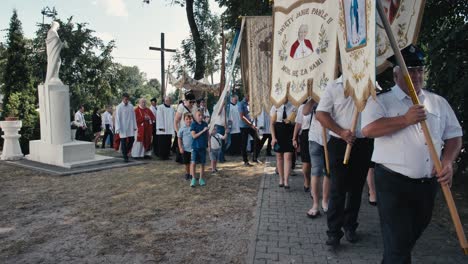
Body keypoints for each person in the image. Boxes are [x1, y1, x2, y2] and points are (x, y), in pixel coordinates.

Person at [361, 45, 462, 264]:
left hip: (427, 185)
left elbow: (454, 135)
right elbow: (368, 130)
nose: (415, 75)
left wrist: (447, 162)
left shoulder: (438, 102)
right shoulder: (380, 101)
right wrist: (404, 120)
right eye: (410, 70)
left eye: (419, 70)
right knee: (398, 244)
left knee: (406, 240)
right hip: (392, 183)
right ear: (396, 74)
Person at [316, 75, 373, 246]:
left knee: (356, 189)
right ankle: (334, 231)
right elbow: (321, 114)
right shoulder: (334, 86)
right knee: (337, 188)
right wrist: (341, 132)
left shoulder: (371, 84)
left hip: (363, 143)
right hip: (339, 143)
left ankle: (350, 226)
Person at [302, 98, 331, 218]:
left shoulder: (333, 93)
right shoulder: (314, 96)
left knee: (328, 171)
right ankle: (315, 204)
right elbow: (305, 111)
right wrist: (313, 99)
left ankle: (325, 201)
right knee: (316, 171)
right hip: (315, 138)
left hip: (331, 137)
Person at [270, 100, 297, 189]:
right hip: (278, 133)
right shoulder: (275, 107)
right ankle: (281, 179)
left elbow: (297, 123)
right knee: (279, 157)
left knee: (288, 157)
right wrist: (273, 138)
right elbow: (272, 124)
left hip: (289, 133)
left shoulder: (294, 106)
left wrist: (291, 122)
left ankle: (286, 180)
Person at [293, 100, 312, 193]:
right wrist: (294, 138)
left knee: (318, 164)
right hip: (306, 134)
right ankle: (307, 179)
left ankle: (315, 187)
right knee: (306, 163)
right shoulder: (303, 107)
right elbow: (298, 124)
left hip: (320, 134)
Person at [174, 91, 197, 162]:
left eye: (194, 102)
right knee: (183, 146)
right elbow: (176, 121)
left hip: (192, 130)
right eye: (191, 102)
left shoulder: (194, 107)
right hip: (183, 131)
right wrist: (178, 132)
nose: (192, 104)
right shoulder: (181, 107)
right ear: (186, 101)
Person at [115, 93, 137, 162]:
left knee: (132, 140)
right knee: (123, 142)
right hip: (122, 127)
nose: (126, 101)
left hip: (130, 126)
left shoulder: (131, 106)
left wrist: (134, 126)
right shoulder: (119, 107)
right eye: (125, 99)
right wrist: (118, 128)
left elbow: (134, 117)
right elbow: (117, 118)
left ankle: (126, 152)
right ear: (123, 99)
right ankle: (125, 157)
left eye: (127, 99)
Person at [239, 95, 260, 166]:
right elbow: (242, 117)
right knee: (244, 144)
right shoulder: (241, 104)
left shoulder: (250, 103)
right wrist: (251, 124)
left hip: (251, 126)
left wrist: (255, 122)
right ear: (246, 95)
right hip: (244, 126)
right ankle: (245, 161)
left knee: (257, 140)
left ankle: (255, 157)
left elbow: (253, 114)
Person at [190, 110, 209, 187]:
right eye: (199, 115)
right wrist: (202, 131)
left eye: (201, 115)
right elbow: (194, 136)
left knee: (202, 163)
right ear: (195, 116)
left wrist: (209, 144)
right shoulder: (193, 124)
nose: (200, 117)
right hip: (195, 147)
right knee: (193, 163)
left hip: (203, 147)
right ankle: (193, 178)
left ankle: (201, 179)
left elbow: (207, 135)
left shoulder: (205, 124)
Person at [178, 113, 194, 181]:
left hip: (193, 149)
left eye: (190, 119)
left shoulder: (194, 127)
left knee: (192, 163)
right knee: (186, 163)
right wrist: (180, 147)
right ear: (184, 120)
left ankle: (191, 174)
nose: (188, 120)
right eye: (186, 119)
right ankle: (187, 173)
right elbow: (179, 138)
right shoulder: (182, 129)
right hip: (185, 149)